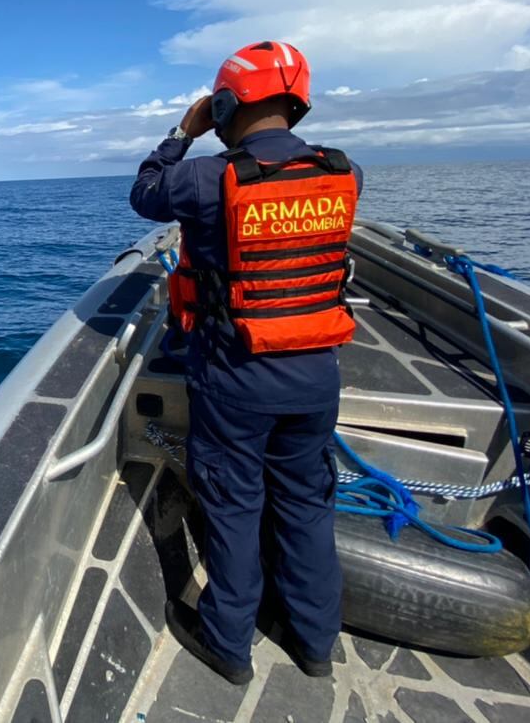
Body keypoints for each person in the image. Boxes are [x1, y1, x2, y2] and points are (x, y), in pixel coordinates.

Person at [129, 41, 363, 685]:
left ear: (227, 104)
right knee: (307, 506)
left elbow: (143, 192)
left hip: (235, 378)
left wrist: (183, 131)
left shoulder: (206, 178)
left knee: (233, 508)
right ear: (298, 103)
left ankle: (229, 645)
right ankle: (316, 643)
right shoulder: (346, 173)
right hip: (317, 374)